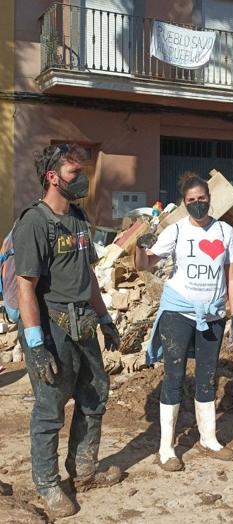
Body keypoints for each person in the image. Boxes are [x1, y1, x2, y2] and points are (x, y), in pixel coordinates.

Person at [14, 144, 123, 518]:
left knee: (96, 393)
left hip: (84, 323)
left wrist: (105, 319)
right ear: (53, 178)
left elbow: (87, 274)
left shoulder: (77, 218)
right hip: (49, 326)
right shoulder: (34, 222)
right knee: (50, 407)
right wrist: (36, 345)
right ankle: (47, 484)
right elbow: (25, 286)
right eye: (75, 174)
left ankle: (84, 469)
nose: (83, 180)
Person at [135, 173, 233, 472]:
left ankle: (208, 439)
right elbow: (145, 265)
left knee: (207, 377)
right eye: (191, 201)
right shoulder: (177, 231)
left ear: (210, 199)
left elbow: (232, 277)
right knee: (174, 376)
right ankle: (166, 448)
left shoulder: (225, 232)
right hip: (178, 312)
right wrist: (140, 248)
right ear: (184, 203)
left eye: (202, 199)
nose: (197, 204)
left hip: (213, 315)